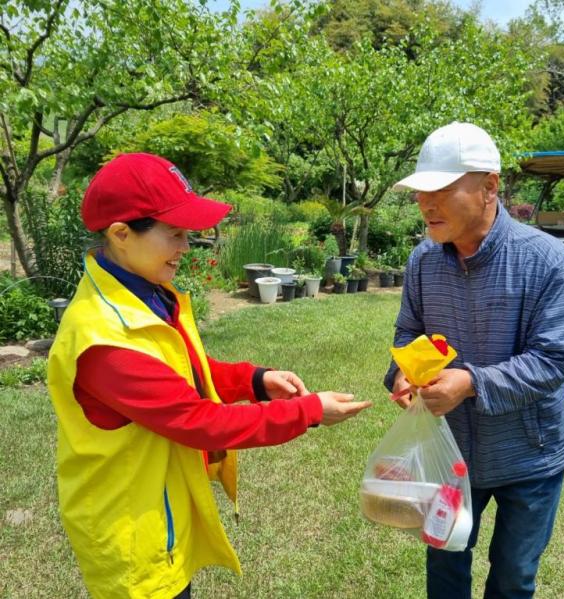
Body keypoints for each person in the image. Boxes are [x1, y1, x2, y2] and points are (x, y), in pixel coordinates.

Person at [47, 153, 371, 599]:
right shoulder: (104, 341)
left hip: (162, 510)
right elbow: (199, 421)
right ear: (121, 234)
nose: (187, 247)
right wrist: (309, 411)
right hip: (134, 536)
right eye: (175, 234)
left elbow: (181, 370)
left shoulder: (145, 294)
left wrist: (254, 381)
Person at [384, 122, 564, 598]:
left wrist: (470, 383)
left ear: (489, 187)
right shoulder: (423, 261)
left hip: (531, 454)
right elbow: (409, 332)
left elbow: (555, 357)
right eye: (421, 192)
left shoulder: (545, 259)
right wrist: (403, 373)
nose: (426, 204)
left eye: (442, 190)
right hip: (450, 451)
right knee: (445, 566)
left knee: (513, 578)